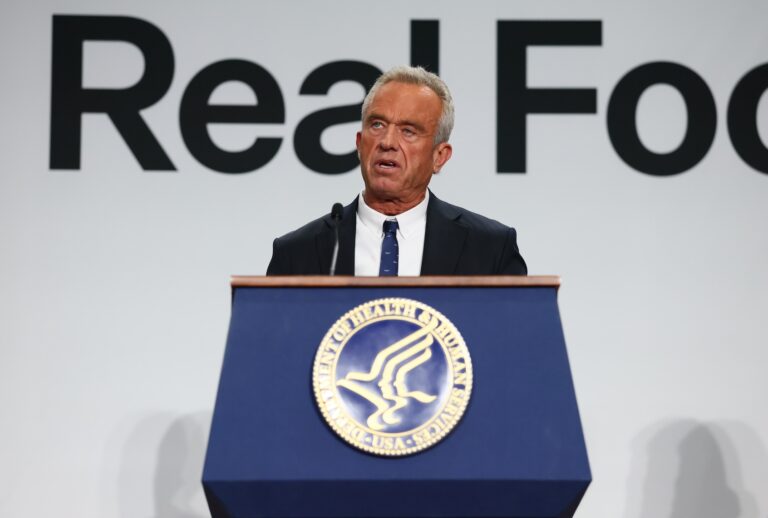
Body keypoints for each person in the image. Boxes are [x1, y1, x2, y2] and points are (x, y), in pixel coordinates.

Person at [266, 65, 526, 276]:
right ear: (359, 143)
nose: (387, 142)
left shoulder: (490, 249)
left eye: (408, 131)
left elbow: (515, 339)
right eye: (377, 125)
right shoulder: (297, 254)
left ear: (439, 157)